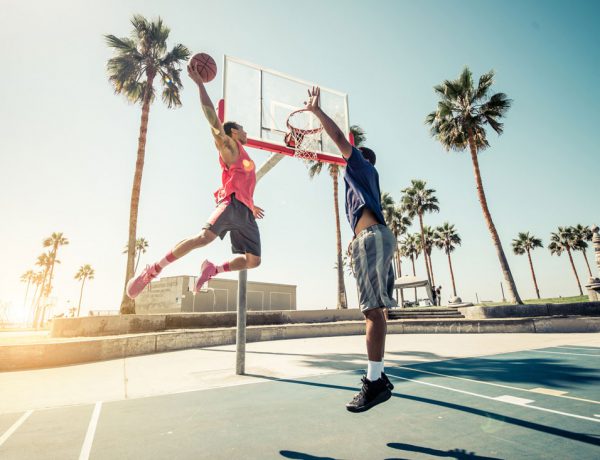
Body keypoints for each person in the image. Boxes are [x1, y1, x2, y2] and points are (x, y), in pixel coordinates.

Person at [125, 65, 264, 299]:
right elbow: (213, 122)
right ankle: (154, 269)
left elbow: (241, 182)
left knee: (253, 261)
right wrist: (200, 84)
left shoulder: (242, 155)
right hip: (231, 205)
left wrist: (251, 203)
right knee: (204, 238)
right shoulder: (230, 146)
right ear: (233, 132)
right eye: (242, 128)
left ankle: (212, 269)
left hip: (245, 211)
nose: (245, 130)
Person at [305, 87, 395, 413]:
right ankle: (378, 375)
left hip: (371, 237)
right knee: (378, 311)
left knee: (371, 311)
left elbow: (342, 141)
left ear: (358, 157)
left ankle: (374, 381)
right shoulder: (368, 177)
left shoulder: (358, 165)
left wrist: (316, 112)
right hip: (377, 237)